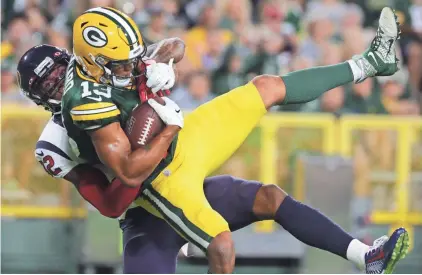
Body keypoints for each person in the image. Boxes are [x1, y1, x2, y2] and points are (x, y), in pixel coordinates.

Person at [57, 6, 407, 274]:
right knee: (222, 246)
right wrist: (170, 128)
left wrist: (160, 61)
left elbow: (172, 47)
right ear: (96, 64)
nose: (131, 70)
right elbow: (131, 173)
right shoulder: (86, 104)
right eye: (122, 66)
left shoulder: (111, 60)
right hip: (158, 179)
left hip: (183, 141)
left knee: (266, 87)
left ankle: (370, 62)